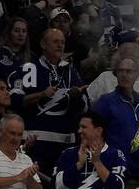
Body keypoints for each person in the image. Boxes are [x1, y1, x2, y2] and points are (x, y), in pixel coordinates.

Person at [10, 26, 85, 173]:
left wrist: (76, 97)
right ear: (43, 44)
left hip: (65, 143)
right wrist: (42, 95)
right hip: (35, 143)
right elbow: (15, 101)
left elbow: (83, 107)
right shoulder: (29, 68)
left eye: (62, 42)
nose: (60, 45)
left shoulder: (70, 70)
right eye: (55, 41)